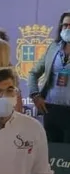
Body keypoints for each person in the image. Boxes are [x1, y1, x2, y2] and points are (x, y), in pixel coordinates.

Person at [29, 11, 70, 143]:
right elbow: (33, 73)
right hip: (50, 109)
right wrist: (35, 95)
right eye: (65, 25)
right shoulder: (53, 48)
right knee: (52, 150)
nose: (68, 29)